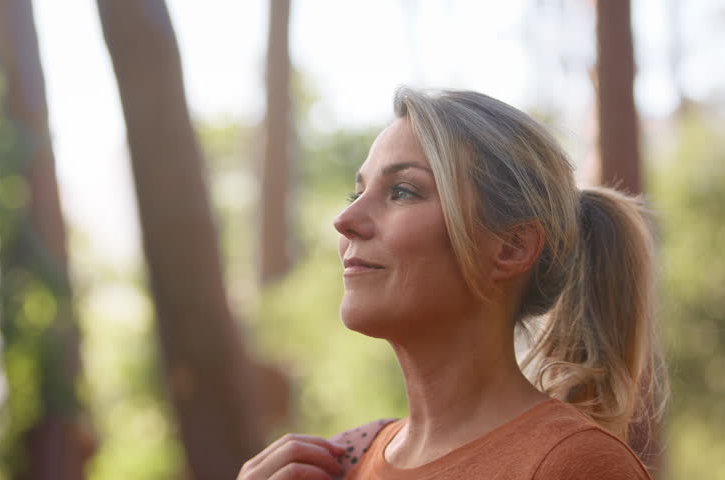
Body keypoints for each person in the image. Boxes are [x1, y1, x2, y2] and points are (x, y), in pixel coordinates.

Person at [237, 87, 667, 480]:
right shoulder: (344, 465)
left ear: (512, 247)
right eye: (358, 193)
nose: (345, 220)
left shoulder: (575, 465)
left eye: (402, 191)